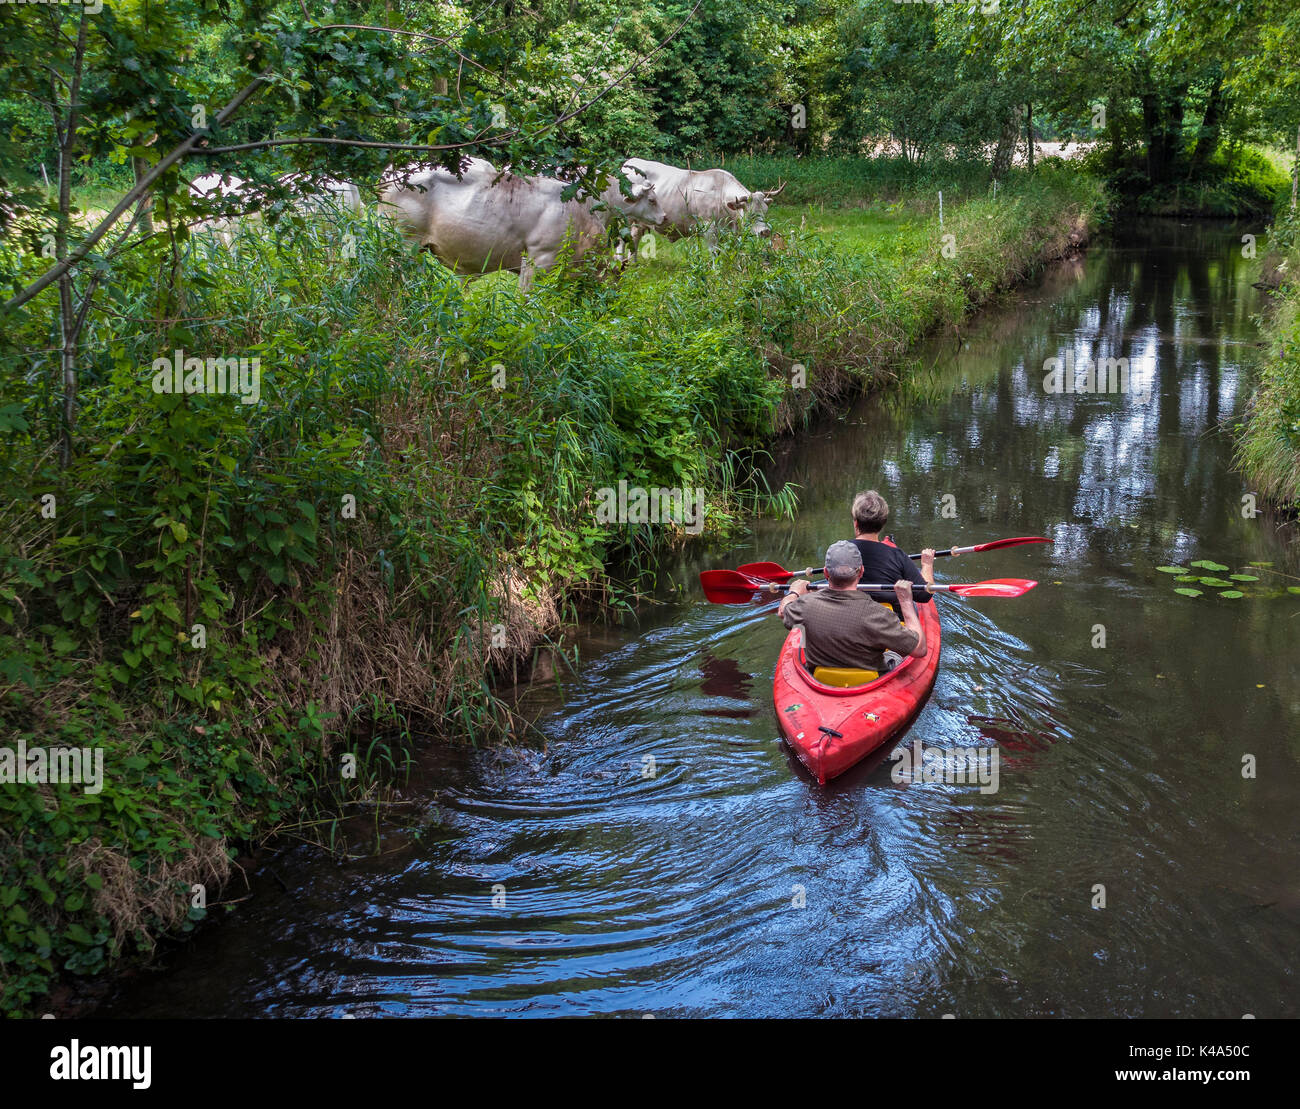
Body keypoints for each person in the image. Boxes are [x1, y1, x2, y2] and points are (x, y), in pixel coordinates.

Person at [778, 540, 926, 674]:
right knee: (895, 654)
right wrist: (906, 602)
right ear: (861, 571)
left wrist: (795, 592)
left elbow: (783, 611)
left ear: (825, 572)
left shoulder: (805, 606)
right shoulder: (879, 614)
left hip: (821, 678)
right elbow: (920, 649)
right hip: (871, 680)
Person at [849, 490, 939, 604]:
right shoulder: (897, 556)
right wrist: (927, 565)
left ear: (856, 523)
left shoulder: (837, 551)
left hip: (849, 613)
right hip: (889, 619)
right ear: (883, 523)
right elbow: (924, 595)